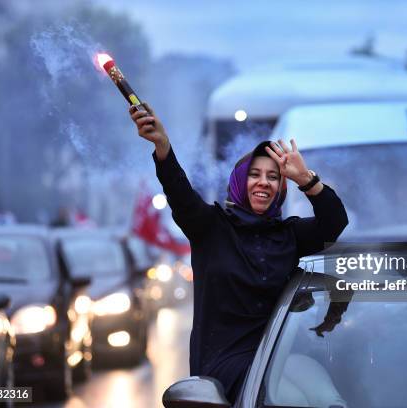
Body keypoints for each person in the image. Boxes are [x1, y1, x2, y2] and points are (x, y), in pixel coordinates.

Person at [129, 102, 348, 403]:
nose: (263, 182)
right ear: (239, 180)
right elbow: (180, 194)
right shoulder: (211, 227)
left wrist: (305, 179)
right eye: (254, 174)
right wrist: (163, 147)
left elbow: (335, 223)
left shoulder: (289, 234)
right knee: (289, 400)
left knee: (329, 400)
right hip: (227, 367)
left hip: (277, 354)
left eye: (273, 177)